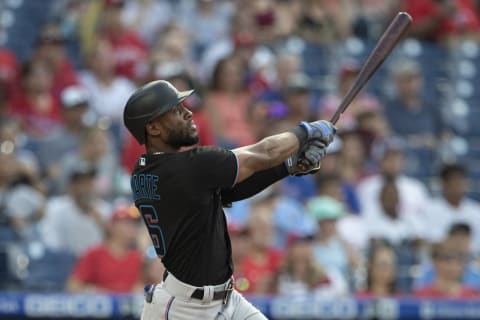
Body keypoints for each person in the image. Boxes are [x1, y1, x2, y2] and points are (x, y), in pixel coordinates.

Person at [123, 79, 336, 319]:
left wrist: (289, 165)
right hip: (184, 310)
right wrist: (306, 132)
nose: (189, 112)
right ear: (153, 128)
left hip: (224, 300)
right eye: (176, 110)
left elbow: (230, 191)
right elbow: (264, 153)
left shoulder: (144, 170)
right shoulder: (188, 166)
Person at [66, 204, 143, 293]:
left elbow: (143, 285)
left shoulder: (137, 257)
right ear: (111, 226)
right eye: (126, 223)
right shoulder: (94, 253)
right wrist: (94, 291)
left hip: (128, 305)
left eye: (133, 224)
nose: (131, 228)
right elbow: (73, 285)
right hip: (100, 305)